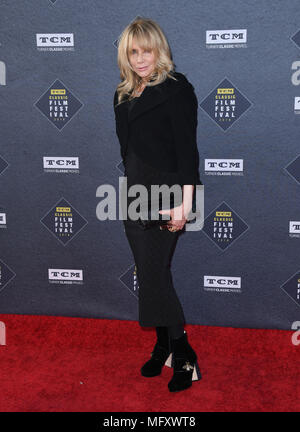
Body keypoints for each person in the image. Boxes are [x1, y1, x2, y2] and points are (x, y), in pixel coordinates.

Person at [113, 17, 202, 392]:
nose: (140, 59)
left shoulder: (177, 88)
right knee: (151, 274)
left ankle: (183, 354)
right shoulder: (123, 93)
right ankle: (163, 344)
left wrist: (186, 203)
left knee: (155, 273)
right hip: (134, 195)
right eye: (133, 52)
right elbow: (129, 150)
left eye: (146, 50)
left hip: (167, 196)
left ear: (158, 49)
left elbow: (187, 150)